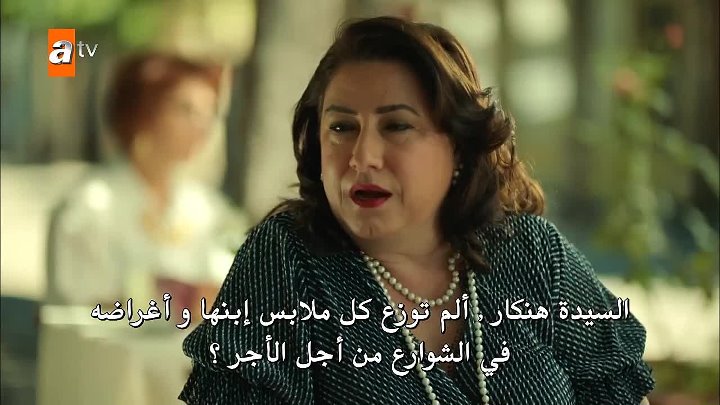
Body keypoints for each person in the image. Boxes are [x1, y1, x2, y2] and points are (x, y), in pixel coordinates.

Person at [179, 17, 655, 404]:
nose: (362, 157)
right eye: (342, 128)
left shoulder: (534, 255)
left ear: (458, 147)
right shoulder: (286, 259)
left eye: (397, 126)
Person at [48, 52, 248, 317]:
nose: (201, 125)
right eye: (185, 110)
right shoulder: (92, 206)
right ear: (143, 111)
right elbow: (88, 304)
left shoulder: (208, 210)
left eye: (209, 113)